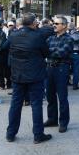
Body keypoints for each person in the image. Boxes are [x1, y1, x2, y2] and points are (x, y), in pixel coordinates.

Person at [6, 13, 52, 144]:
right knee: (36, 105)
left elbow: (6, 48)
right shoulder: (38, 36)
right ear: (33, 24)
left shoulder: (13, 35)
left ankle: (10, 134)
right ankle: (38, 135)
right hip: (35, 76)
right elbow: (46, 53)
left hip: (18, 76)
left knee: (15, 105)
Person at [44, 16, 74, 133]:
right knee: (50, 96)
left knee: (62, 97)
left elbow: (61, 53)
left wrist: (49, 52)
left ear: (64, 26)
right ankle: (52, 119)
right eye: (54, 23)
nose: (54, 25)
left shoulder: (68, 39)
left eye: (57, 23)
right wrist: (49, 52)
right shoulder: (50, 38)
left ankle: (63, 122)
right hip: (49, 68)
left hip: (61, 68)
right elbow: (44, 50)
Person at [68, 23, 79, 90]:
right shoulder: (77, 34)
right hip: (76, 53)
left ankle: (67, 82)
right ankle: (75, 85)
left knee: (67, 69)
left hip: (68, 54)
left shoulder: (67, 34)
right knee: (76, 70)